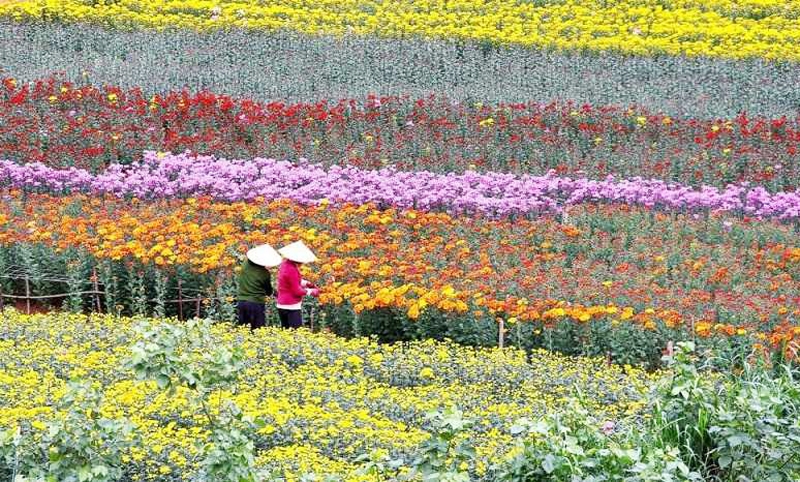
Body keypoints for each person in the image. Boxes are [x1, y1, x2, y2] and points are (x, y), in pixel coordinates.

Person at [276, 240, 320, 329]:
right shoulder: (291, 269)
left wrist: (306, 283)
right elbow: (296, 291)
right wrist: (311, 291)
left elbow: (291, 281)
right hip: (291, 306)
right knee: (296, 334)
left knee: (286, 333)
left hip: (282, 304)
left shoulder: (285, 264)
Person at [237, 243, 282, 330]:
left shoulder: (245, 264)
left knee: (243, 330)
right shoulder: (264, 273)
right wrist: (276, 294)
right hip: (256, 304)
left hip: (242, 302)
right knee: (257, 330)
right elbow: (268, 291)